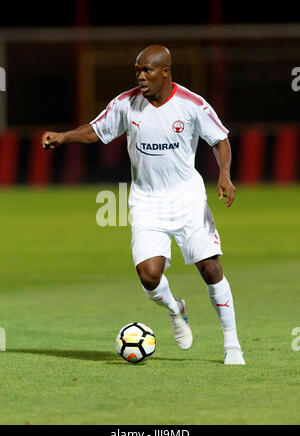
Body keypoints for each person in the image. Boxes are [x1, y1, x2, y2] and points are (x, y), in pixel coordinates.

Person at [42, 45, 245, 365]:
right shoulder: (126, 103)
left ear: (166, 72)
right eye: (137, 71)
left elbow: (219, 139)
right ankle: (176, 309)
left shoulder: (192, 104)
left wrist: (224, 174)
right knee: (149, 276)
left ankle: (232, 344)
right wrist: (64, 137)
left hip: (187, 197)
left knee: (210, 267)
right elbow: (96, 131)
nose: (140, 76)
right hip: (147, 201)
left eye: (146, 70)